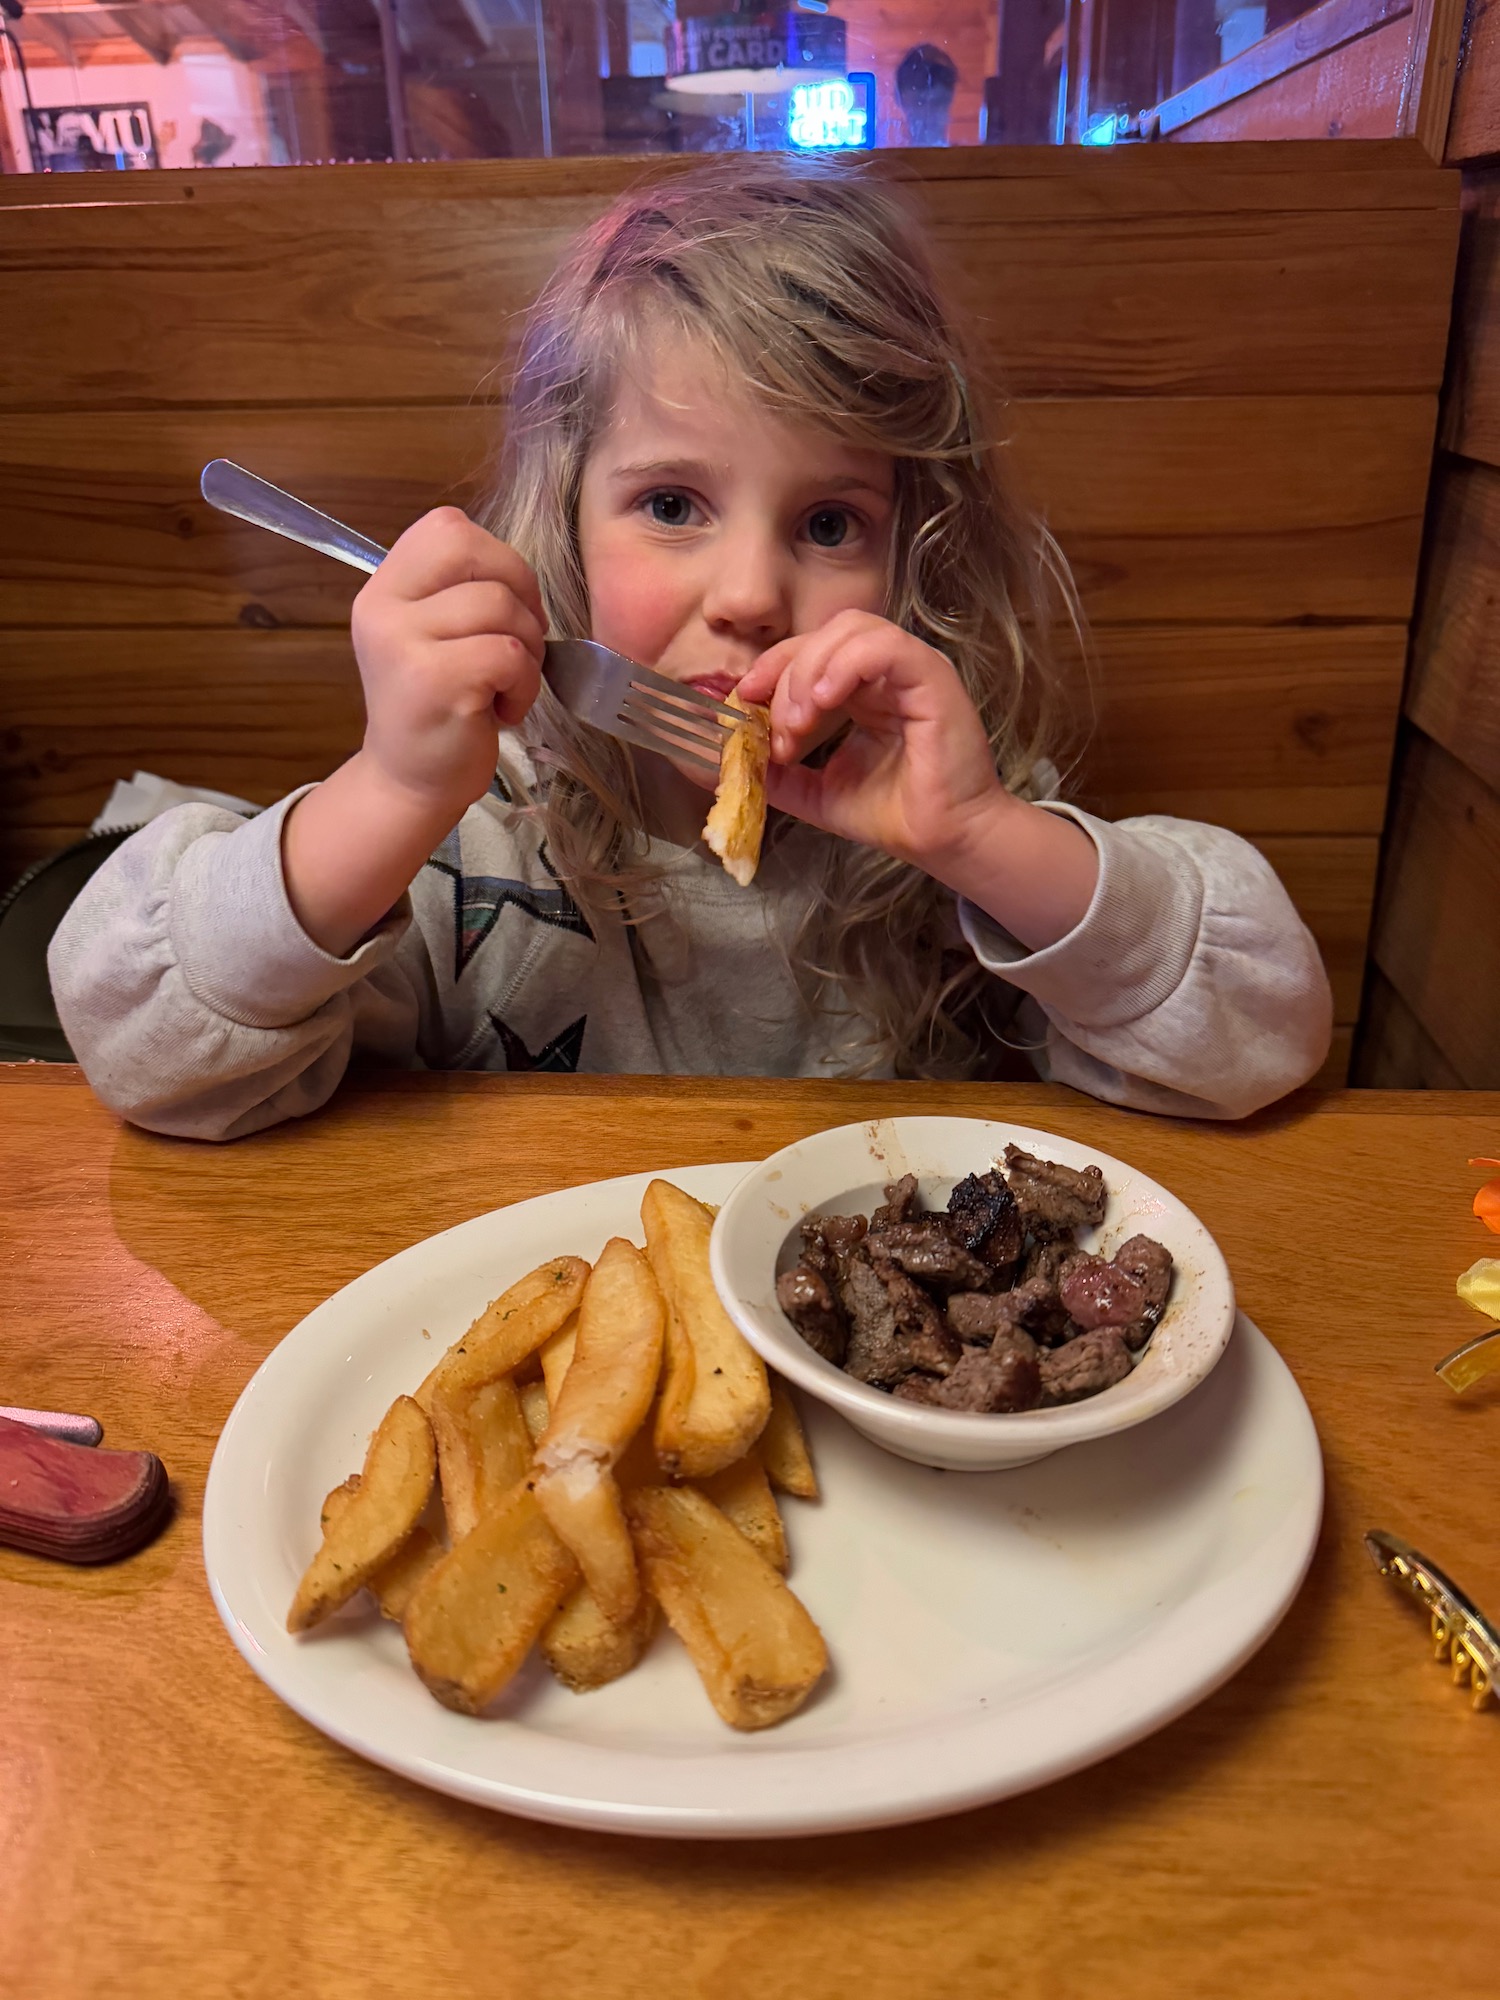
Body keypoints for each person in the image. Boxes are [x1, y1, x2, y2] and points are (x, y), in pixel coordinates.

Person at [49, 156, 1332, 1142]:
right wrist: (387, 793)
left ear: (913, 553)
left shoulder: (944, 815)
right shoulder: (475, 828)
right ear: (564, 518)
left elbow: (1262, 1039)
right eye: (673, 505)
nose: (754, 594)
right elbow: (143, 1048)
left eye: (831, 522)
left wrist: (987, 839)